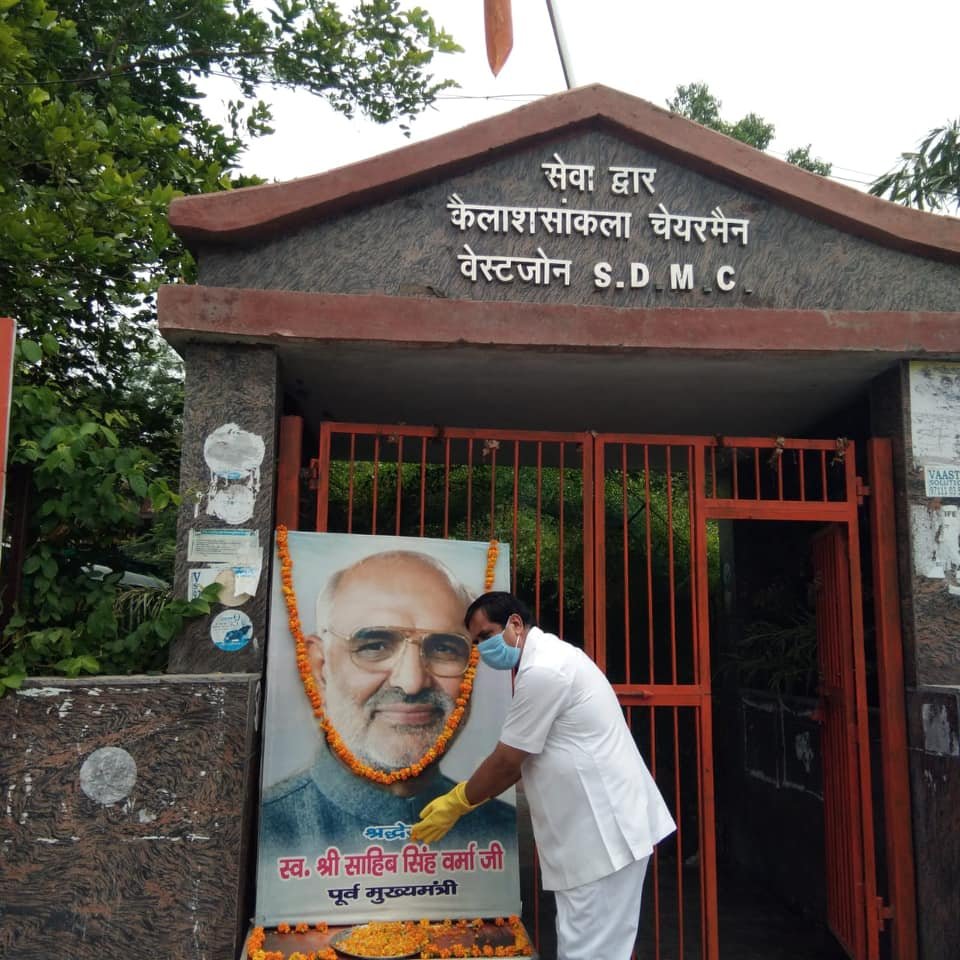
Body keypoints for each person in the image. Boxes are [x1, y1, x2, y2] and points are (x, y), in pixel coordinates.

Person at [411, 591, 676, 960]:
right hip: (598, 833)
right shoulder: (550, 659)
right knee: (603, 948)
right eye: (476, 643)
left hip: (603, 835)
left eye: (486, 636)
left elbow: (508, 760)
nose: (483, 649)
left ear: (516, 623)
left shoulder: (545, 670)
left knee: (588, 951)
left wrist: (457, 802)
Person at [259, 551, 516, 868]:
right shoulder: (265, 833)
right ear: (320, 666)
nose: (411, 682)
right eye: (375, 646)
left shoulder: (502, 832)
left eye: (445, 648)